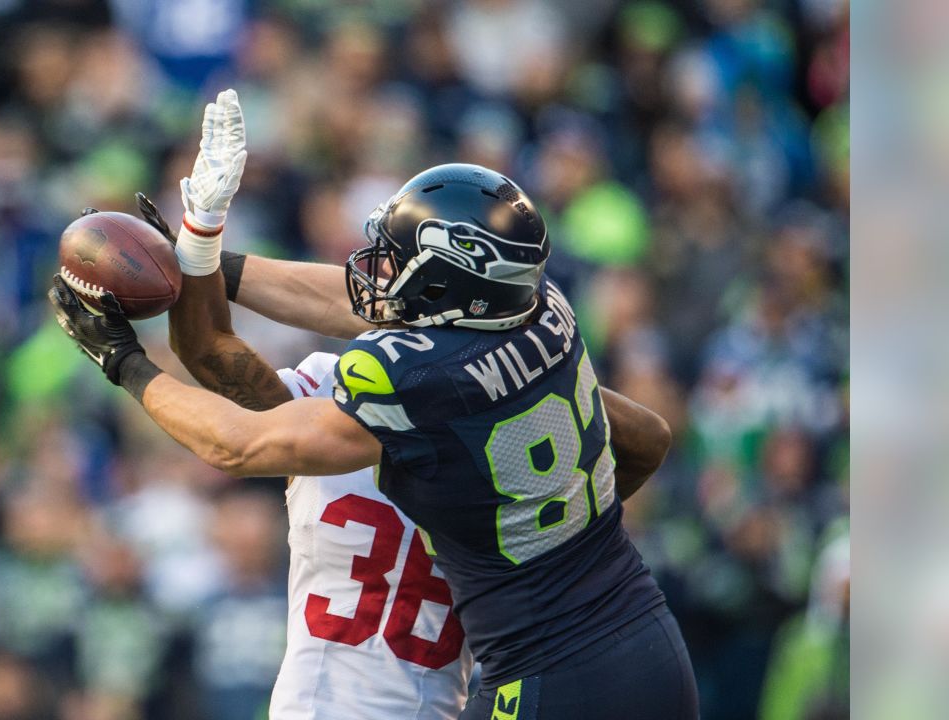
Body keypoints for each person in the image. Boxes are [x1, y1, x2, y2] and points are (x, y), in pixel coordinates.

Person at [49, 90, 697, 719]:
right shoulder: (538, 311)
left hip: (536, 678)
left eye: (399, 260)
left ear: (448, 287)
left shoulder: (407, 385)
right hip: (645, 638)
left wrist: (123, 359)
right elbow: (647, 437)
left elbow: (237, 435)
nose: (375, 269)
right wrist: (202, 256)